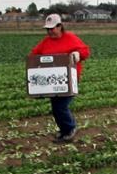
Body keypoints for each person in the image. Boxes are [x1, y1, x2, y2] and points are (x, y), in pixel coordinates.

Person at [31, 13, 90, 142]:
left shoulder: (70, 38)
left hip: (69, 79)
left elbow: (85, 51)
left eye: (52, 28)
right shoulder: (46, 42)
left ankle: (70, 129)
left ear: (60, 27)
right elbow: (34, 54)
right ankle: (64, 129)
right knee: (55, 107)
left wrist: (77, 54)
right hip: (52, 80)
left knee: (61, 106)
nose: (50, 31)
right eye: (48, 29)